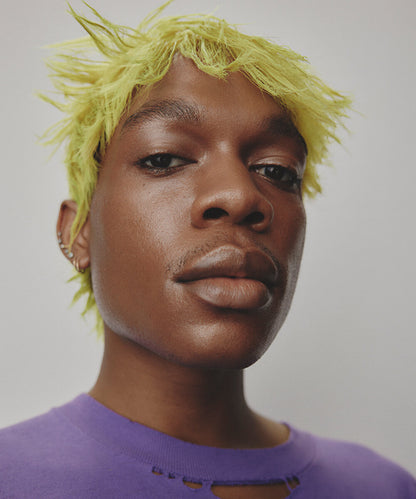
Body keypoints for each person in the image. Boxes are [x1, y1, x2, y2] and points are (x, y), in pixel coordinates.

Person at [0, 3, 415, 498]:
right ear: (79, 234)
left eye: (277, 171)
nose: (242, 196)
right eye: (164, 158)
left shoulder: (382, 487)